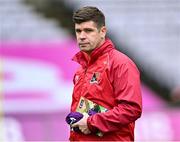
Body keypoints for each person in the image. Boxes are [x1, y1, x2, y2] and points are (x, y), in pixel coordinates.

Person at [68, 6, 142, 141]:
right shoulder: (81, 69)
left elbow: (131, 109)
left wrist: (91, 123)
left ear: (103, 31)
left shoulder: (121, 64)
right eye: (78, 31)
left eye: (88, 31)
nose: (82, 36)